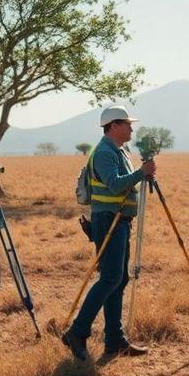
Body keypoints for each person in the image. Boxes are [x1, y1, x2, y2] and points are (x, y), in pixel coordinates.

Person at [61, 105, 156, 361]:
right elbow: (114, 185)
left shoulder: (120, 150)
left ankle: (115, 342)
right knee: (110, 278)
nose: (131, 129)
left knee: (119, 279)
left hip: (120, 221)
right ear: (114, 126)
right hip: (108, 220)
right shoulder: (104, 152)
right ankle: (77, 332)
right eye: (127, 124)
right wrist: (141, 173)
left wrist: (142, 175)